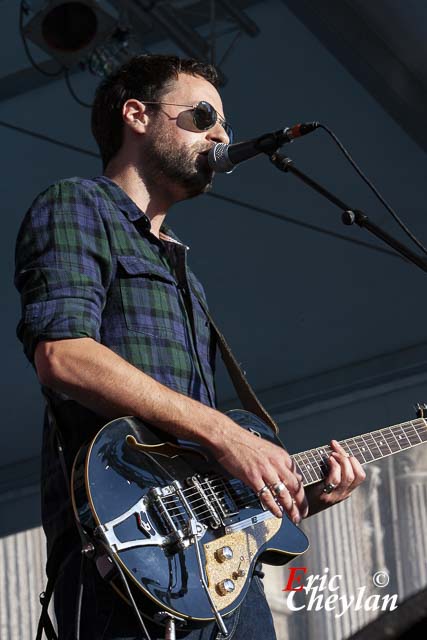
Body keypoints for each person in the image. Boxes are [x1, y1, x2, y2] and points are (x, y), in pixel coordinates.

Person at [15, 54, 366, 640]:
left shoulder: (184, 271)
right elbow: (63, 354)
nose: (222, 135)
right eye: (203, 116)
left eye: (223, 123)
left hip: (219, 578)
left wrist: (297, 490)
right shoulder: (78, 205)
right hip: (129, 566)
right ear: (137, 115)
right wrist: (225, 432)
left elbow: (193, 460)